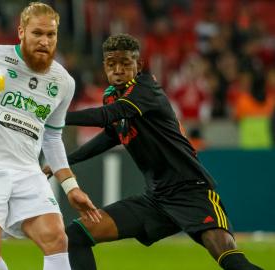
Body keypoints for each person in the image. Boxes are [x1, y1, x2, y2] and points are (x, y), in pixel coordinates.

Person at [45, 34, 263, 270]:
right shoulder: (111, 95)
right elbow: (111, 134)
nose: (118, 70)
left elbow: (105, 117)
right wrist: (63, 162)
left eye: (125, 64)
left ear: (138, 66)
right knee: (76, 235)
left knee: (231, 261)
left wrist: (49, 115)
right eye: (111, 64)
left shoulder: (145, 89)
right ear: (104, 66)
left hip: (191, 192)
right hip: (157, 199)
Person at [0, 3, 101, 270]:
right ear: (21, 32)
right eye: (37, 33)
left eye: (51, 35)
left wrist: (71, 186)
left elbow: (52, 137)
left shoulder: (64, 82)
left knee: (57, 238)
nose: (45, 41)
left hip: (27, 170)